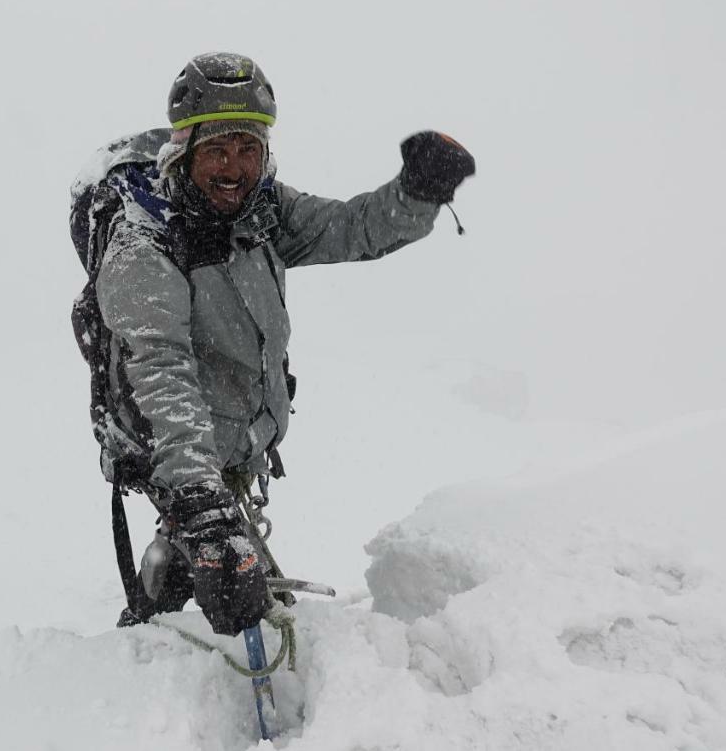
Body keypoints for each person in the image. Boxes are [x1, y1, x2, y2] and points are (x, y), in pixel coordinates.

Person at [81, 52, 475, 635]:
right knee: (233, 591)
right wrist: (203, 507)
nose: (233, 167)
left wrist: (416, 193)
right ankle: (154, 648)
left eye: (248, 149)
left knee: (212, 576)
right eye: (215, 150)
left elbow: (350, 227)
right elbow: (159, 370)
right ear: (185, 151)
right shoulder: (145, 241)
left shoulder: (263, 213)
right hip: (177, 450)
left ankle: (166, 586)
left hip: (234, 444)